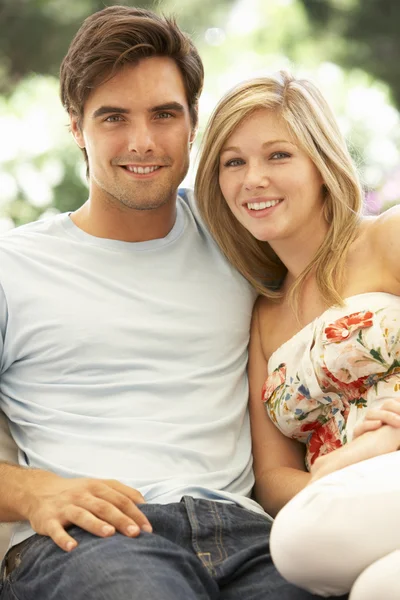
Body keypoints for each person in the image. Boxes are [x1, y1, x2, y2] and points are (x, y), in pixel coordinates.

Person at [0, 7, 323, 600]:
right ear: (76, 126)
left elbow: (352, 253)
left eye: (164, 115)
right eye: (114, 117)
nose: (142, 142)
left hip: (251, 532)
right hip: (95, 540)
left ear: (194, 122)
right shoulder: (12, 265)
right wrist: (31, 491)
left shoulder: (240, 231)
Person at [195, 71, 400, 600]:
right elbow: (271, 477)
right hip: (340, 503)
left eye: (278, 155)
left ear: (321, 160)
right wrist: (338, 470)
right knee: (377, 585)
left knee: (299, 544)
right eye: (233, 162)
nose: (253, 179)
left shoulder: (388, 240)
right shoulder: (263, 315)